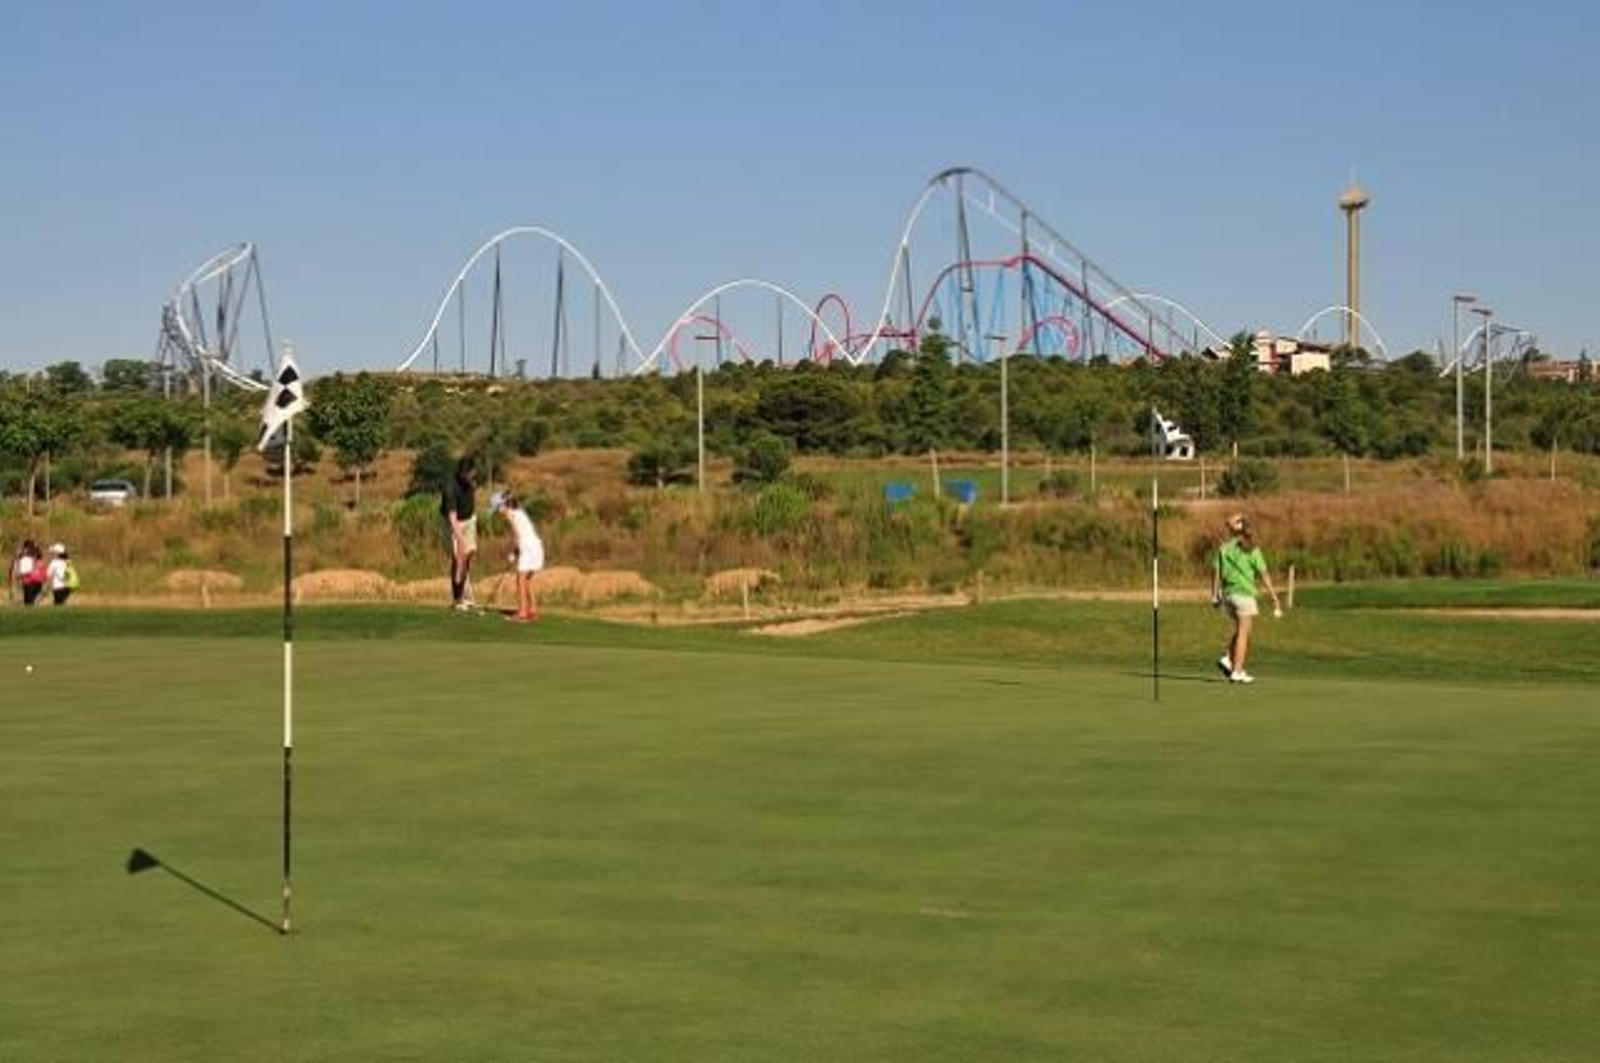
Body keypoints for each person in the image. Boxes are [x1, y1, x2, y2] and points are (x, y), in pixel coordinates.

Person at [1211, 514, 1282, 684]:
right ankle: (1237, 671)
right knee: (1244, 632)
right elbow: (1264, 574)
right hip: (1244, 595)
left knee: (1243, 630)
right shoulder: (1252, 548)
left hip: (1228, 595)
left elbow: (1215, 572)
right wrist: (1274, 598)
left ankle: (1228, 659)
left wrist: (1214, 594)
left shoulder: (1224, 548)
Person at [491, 490, 544, 622]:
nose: (498, 511)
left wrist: (514, 553)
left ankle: (522, 613)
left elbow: (517, 535)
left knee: (520, 580)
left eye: (497, 508)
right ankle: (533, 610)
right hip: (537, 546)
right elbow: (522, 533)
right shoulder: (519, 511)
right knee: (527, 581)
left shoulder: (509, 513)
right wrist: (516, 552)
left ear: (503, 505)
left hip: (528, 547)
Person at [439, 455, 479, 610]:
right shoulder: (449, 487)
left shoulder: (471, 480)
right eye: (468, 475)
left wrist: (472, 519)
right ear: (462, 473)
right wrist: (459, 539)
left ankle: (463, 593)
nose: (471, 477)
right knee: (459, 557)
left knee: (469, 554)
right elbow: (452, 517)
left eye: (472, 474)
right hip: (452, 523)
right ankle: (457, 599)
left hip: (469, 519)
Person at [12, 539, 46, 606]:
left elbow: (23, 571)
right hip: (38, 582)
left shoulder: (24, 557)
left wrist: (17, 576)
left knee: (28, 603)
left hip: (29, 582)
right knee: (32, 602)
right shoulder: (38, 555)